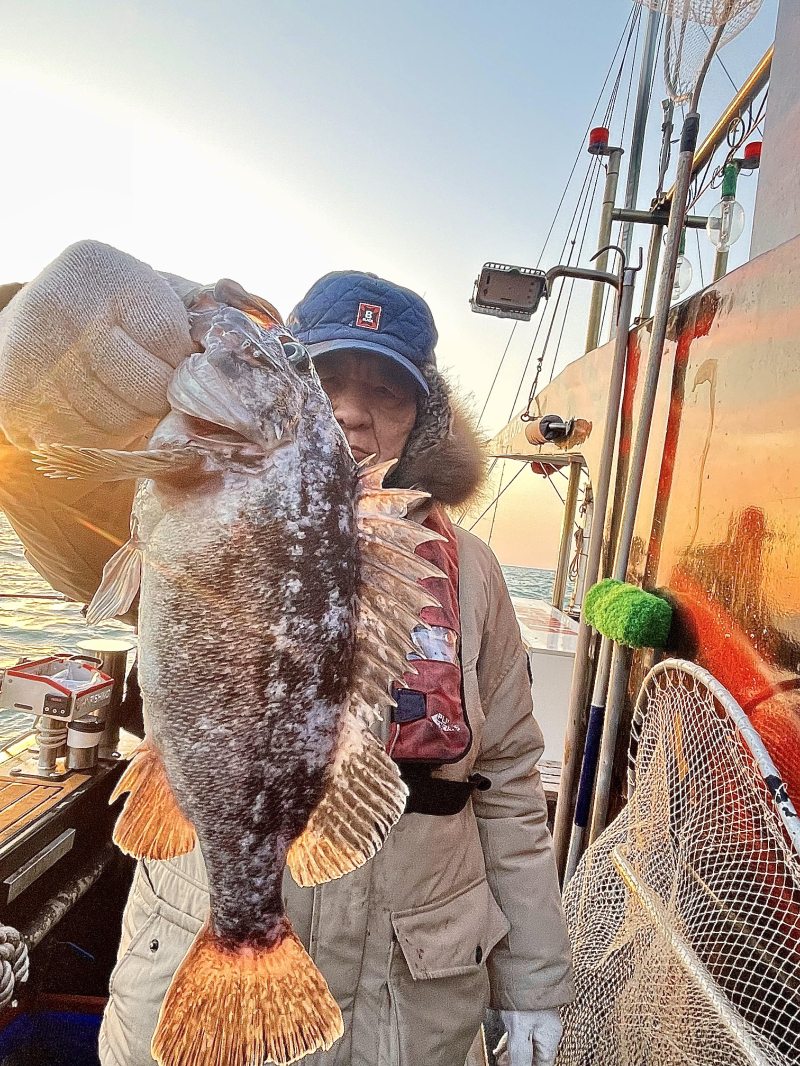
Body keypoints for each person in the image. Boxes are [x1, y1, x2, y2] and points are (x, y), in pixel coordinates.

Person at [0, 242, 573, 1066]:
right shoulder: (180, 486)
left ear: (424, 417)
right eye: (327, 376)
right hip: (190, 962)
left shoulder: (474, 573)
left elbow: (512, 778)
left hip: (407, 1011)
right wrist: (32, 372)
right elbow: (61, 514)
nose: (351, 409)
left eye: (387, 390)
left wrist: (535, 980)